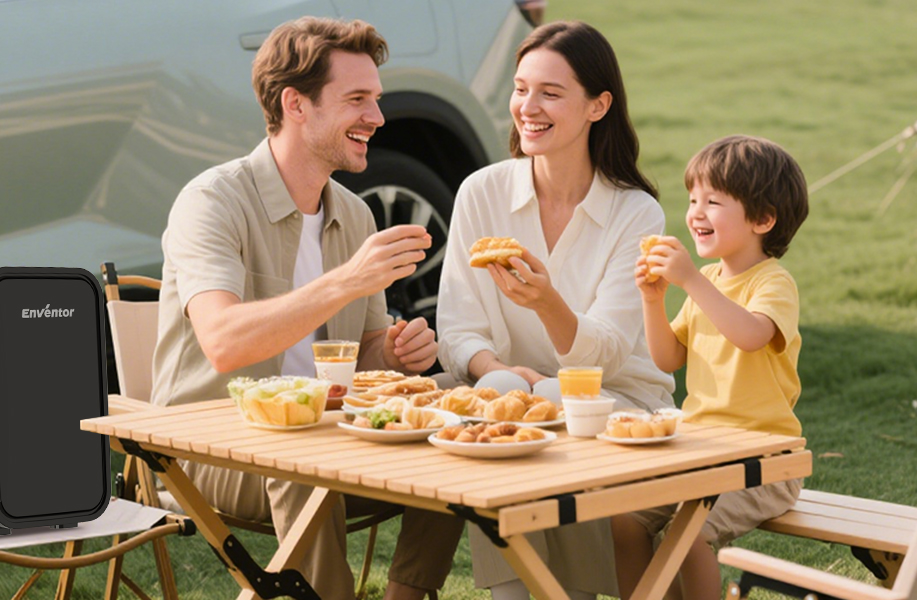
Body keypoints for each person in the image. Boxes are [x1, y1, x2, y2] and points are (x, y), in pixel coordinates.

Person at [150, 17, 461, 600]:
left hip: (325, 431)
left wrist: (394, 352)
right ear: (295, 104)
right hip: (205, 451)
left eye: (376, 99)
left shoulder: (354, 214)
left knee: (452, 415)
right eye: (357, 99)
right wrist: (346, 280)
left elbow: (364, 357)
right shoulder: (211, 202)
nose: (378, 117)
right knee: (299, 462)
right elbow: (223, 341)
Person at [435, 20, 676, 600]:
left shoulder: (635, 213)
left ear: (598, 106)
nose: (528, 107)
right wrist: (497, 370)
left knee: (554, 400)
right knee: (496, 398)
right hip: (509, 392)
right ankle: (513, 594)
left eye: (550, 93)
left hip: (618, 401)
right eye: (521, 89)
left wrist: (547, 304)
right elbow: (458, 327)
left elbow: (607, 355)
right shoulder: (481, 192)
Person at [615, 134, 810, 600]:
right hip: (702, 452)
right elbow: (668, 358)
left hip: (766, 461)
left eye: (713, 202)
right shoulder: (708, 280)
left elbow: (751, 335)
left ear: (763, 219)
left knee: (688, 537)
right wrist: (653, 300)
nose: (696, 213)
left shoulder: (773, 282)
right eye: (693, 200)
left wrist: (688, 281)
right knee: (624, 520)